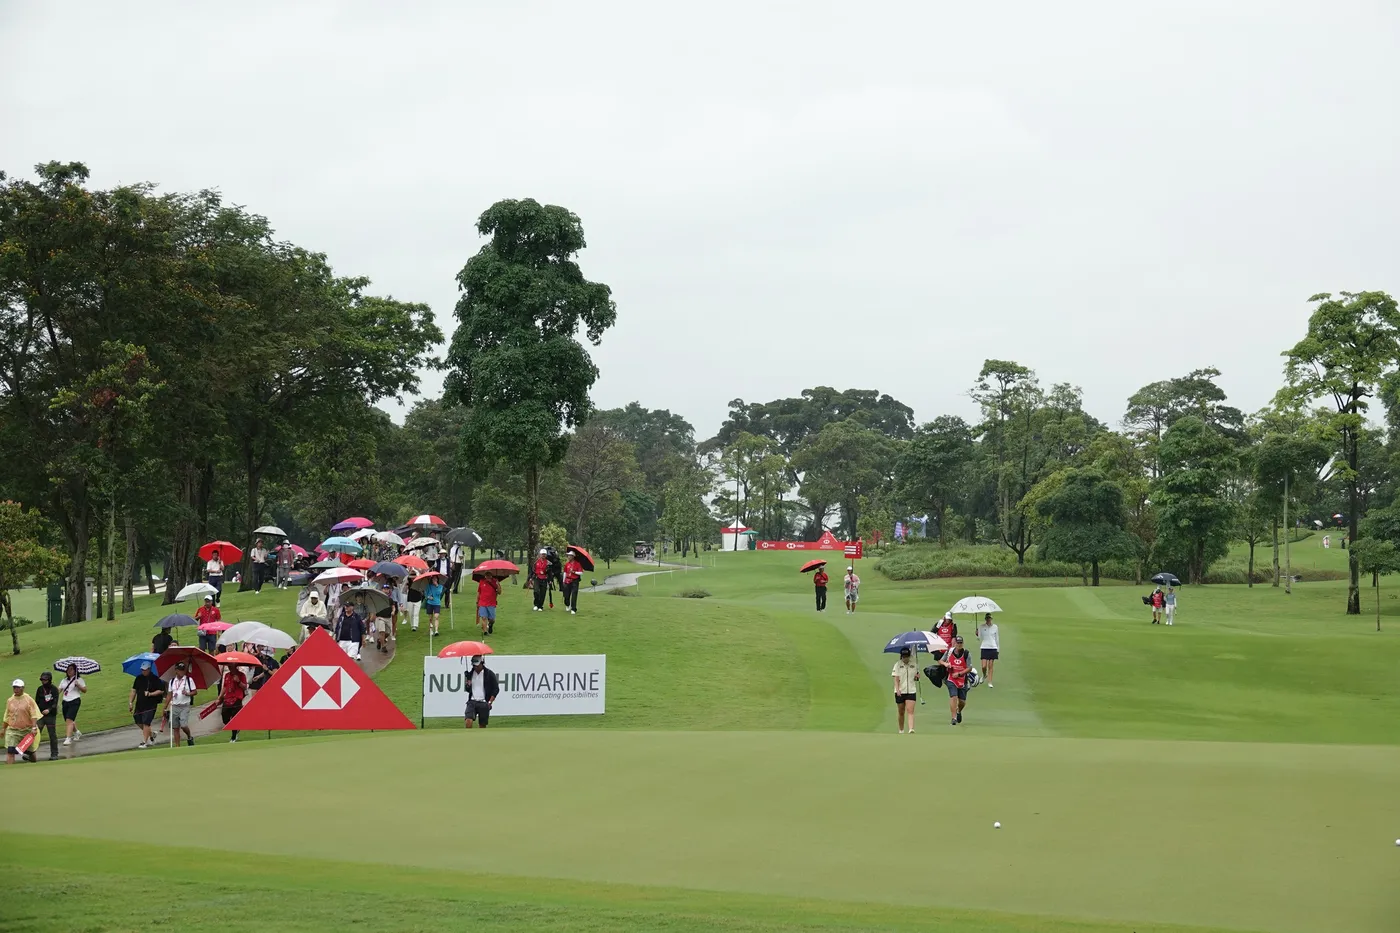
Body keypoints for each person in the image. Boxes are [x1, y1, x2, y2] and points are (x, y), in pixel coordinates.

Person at [936, 635, 972, 726]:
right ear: (955, 643)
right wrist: (946, 664)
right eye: (958, 643)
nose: (959, 645)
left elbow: (969, 668)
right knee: (953, 696)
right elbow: (940, 661)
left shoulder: (966, 653)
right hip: (951, 678)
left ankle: (958, 711)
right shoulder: (949, 651)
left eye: (961, 643)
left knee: (962, 702)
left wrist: (959, 674)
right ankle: (953, 718)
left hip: (962, 679)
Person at [128, 661, 165, 749]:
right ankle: (151, 734)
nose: (143, 671)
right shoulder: (139, 678)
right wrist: (130, 702)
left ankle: (144, 742)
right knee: (138, 721)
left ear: (149, 669)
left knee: (146, 723)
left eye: (145, 670)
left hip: (151, 705)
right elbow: (134, 690)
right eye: (142, 670)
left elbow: (161, 691)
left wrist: (150, 694)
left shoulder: (155, 679)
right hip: (139, 704)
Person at [3, 679, 40, 765]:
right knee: (10, 751)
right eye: (14, 687)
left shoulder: (28, 699)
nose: (16, 689)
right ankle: (11, 770)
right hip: (13, 730)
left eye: (18, 687)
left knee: (30, 752)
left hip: (27, 730)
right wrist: (3, 728)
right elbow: (7, 716)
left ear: (23, 688)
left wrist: (34, 727)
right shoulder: (10, 700)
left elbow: (34, 715)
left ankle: (34, 765)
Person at [164, 661, 198, 747]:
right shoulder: (172, 681)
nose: (181, 672)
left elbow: (195, 692)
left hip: (184, 706)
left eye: (183, 670)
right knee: (175, 728)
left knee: (183, 725)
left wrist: (188, 693)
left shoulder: (189, 680)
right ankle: (177, 747)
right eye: (180, 670)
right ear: (176, 670)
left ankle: (189, 736)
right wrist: (165, 707)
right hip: (174, 706)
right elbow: (169, 695)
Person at [463, 655, 498, 728]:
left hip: (484, 702)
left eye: (477, 665)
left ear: (482, 663)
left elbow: (496, 689)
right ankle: (468, 735)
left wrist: (490, 702)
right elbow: (467, 689)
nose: (475, 667)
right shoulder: (470, 674)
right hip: (472, 701)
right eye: (473, 665)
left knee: (482, 725)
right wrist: (468, 684)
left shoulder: (489, 674)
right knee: (468, 720)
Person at [216, 663, 247, 743]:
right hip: (227, 698)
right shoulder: (227, 675)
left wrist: (238, 681)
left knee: (234, 718)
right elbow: (225, 687)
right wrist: (219, 698)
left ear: (235, 666)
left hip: (237, 698)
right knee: (224, 717)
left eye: (231, 666)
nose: (229, 667)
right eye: (228, 666)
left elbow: (245, 687)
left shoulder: (241, 675)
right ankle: (236, 728)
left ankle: (233, 737)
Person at [891, 646, 919, 734]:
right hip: (900, 691)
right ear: (901, 656)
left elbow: (915, 678)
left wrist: (917, 677)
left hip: (911, 690)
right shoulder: (897, 665)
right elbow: (896, 679)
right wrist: (897, 689)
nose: (905, 658)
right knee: (901, 712)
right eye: (903, 657)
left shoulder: (914, 664)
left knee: (910, 711)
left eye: (906, 656)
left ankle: (911, 729)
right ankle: (901, 730)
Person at [58, 662, 86, 746]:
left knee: (69, 720)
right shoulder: (64, 680)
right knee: (68, 720)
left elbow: (84, 690)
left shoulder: (79, 680)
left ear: (75, 671)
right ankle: (77, 732)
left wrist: (78, 685)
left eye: (71, 669)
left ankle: (68, 738)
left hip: (75, 701)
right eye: (68, 669)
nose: (69, 671)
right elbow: (59, 690)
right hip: (65, 701)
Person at [34, 672, 59, 761]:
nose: (43, 681)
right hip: (40, 716)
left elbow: (55, 703)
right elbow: (36, 702)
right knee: (35, 734)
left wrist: (49, 710)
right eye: (42, 679)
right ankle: (31, 754)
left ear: (49, 680)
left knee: (52, 735)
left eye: (45, 679)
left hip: (51, 716)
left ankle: (54, 754)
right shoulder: (40, 689)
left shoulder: (54, 689)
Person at [976, 613, 999, 688]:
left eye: (989, 618)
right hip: (984, 647)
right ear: (985, 619)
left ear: (991, 619)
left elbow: (997, 638)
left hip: (993, 647)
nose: (988, 619)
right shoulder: (981, 626)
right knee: (984, 666)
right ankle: (984, 675)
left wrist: (998, 649)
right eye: (987, 618)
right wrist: (977, 633)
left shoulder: (995, 627)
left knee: (990, 665)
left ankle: (990, 682)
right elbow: (979, 638)